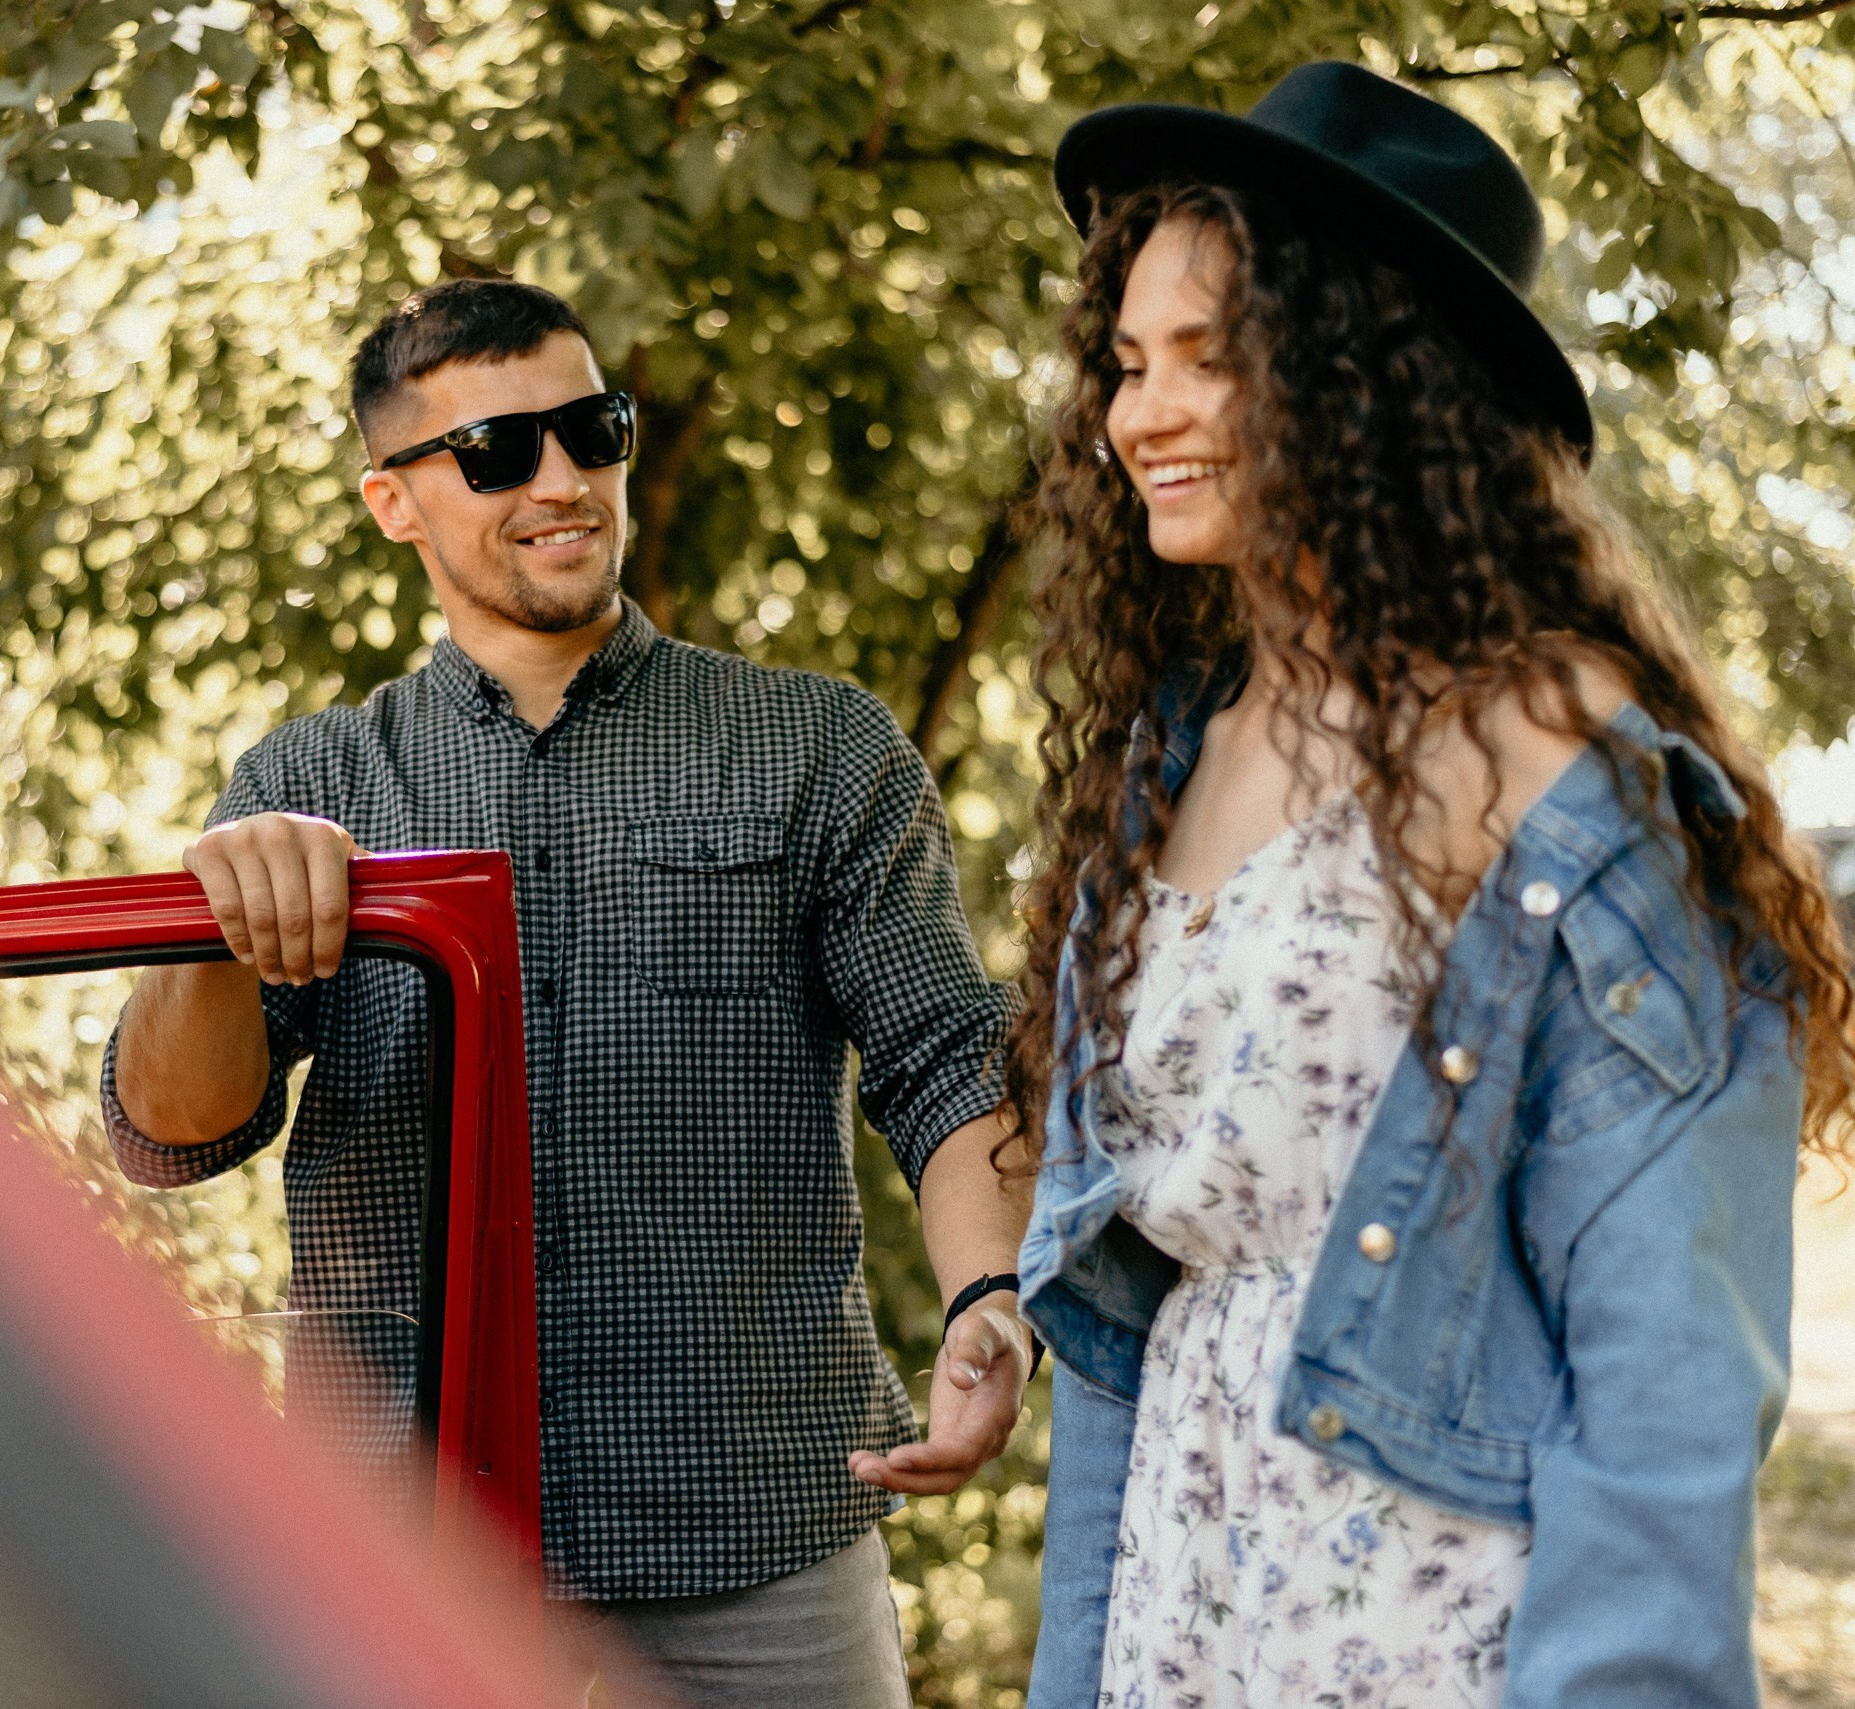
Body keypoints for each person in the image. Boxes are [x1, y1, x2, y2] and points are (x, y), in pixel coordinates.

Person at [1002, 61, 1855, 1709]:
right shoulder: (1170, 751)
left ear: (1370, 379)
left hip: (1433, 1628)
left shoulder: (1555, 764)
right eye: (1128, 363)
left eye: (1210, 358)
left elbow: (1665, 1380)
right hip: (1182, 1602)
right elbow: (1128, 1324)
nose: (1139, 416)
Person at [101, 278, 1031, 1706]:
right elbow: (169, 1136)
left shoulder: (817, 748)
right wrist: (208, 930)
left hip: (758, 1532)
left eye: (592, 430)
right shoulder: (305, 783)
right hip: (407, 1547)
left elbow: (947, 1060)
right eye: (496, 451)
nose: (560, 481)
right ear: (394, 502)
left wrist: (992, 1293)